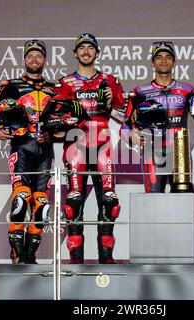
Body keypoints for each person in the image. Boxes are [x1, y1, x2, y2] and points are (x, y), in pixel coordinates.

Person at [0, 39, 57, 264]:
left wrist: (54, 134)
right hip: (21, 149)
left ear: (45, 60)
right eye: (30, 55)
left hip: (45, 152)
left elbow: (65, 122)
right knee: (21, 198)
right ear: (24, 60)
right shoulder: (10, 86)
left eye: (39, 55)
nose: (34, 59)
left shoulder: (55, 88)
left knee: (42, 205)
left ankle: (30, 255)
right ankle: (17, 252)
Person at [56, 33, 125, 264]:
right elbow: (56, 117)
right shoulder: (64, 83)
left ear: (97, 53)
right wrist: (69, 118)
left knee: (110, 202)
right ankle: (76, 264)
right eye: (82, 48)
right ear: (75, 53)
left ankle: (107, 261)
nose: (86, 52)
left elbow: (123, 115)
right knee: (73, 203)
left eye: (91, 48)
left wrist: (109, 105)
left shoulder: (110, 81)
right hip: (76, 147)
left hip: (103, 145)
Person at [122, 41, 194, 193]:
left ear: (175, 62)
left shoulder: (188, 90)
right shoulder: (138, 93)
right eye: (158, 57)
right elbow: (126, 127)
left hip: (180, 151)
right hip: (151, 152)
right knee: (153, 201)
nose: (163, 60)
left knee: (183, 201)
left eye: (168, 57)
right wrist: (133, 137)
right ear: (152, 63)